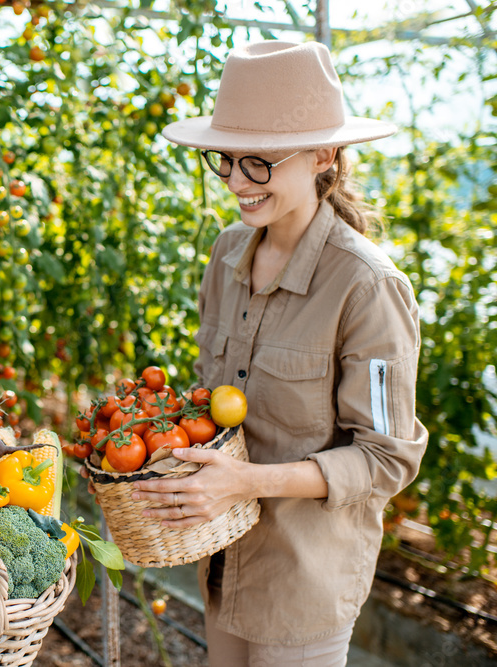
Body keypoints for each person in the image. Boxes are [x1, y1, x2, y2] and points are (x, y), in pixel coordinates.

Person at [143, 41, 429, 665]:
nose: (237, 183)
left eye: (259, 163)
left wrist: (245, 482)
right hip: (220, 561)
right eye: (225, 160)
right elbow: (211, 399)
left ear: (324, 155)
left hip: (305, 581)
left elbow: (384, 459)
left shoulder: (366, 286)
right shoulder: (226, 255)